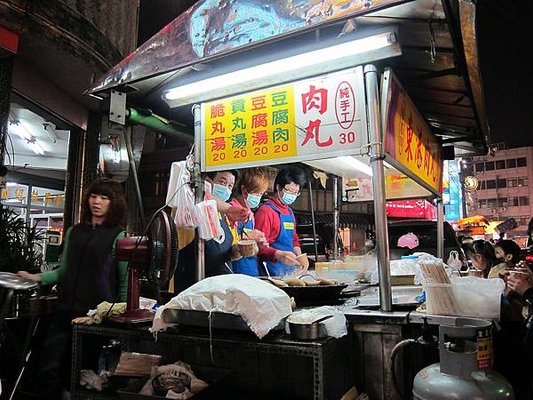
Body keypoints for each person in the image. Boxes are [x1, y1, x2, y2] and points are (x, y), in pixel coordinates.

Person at [17, 177, 128, 399]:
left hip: (95, 316)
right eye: (94, 196)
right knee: (49, 365)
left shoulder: (118, 236)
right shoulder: (73, 232)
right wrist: (36, 277)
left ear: (113, 203)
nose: (96, 201)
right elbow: (62, 271)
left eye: (104, 198)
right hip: (65, 310)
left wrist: (123, 312)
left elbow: (124, 279)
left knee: (84, 373)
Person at [255, 166, 307, 277]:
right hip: (271, 273)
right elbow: (258, 247)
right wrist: (279, 255)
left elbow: (294, 240)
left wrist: (300, 256)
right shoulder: (266, 211)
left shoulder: (289, 211)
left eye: (295, 193)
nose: (292, 195)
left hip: (289, 272)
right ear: (278, 187)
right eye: (288, 191)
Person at [229, 167, 269, 276]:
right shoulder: (231, 210)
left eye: (261, 194)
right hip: (235, 271)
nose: (258, 198)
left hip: (251, 270)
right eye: (256, 193)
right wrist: (247, 237)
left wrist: (258, 243)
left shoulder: (251, 214)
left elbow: (251, 247)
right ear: (243, 190)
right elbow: (226, 247)